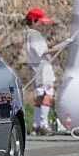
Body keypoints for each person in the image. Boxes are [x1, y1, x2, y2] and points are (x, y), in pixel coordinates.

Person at [25, 7, 62, 136]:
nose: (42, 25)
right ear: (34, 21)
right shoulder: (34, 35)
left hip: (37, 69)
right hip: (42, 69)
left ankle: (35, 125)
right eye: (40, 22)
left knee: (40, 97)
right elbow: (42, 52)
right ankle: (43, 124)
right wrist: (60, 46)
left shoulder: (30, 35)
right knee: (48, 95)